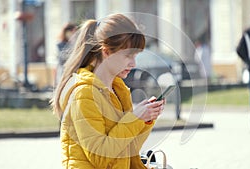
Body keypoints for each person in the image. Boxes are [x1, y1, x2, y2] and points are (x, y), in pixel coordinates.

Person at [50, 13, 165, 168]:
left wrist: (145, 119)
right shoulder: (84, 93)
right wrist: (134, 118)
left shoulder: (118, 90)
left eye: (135, 56)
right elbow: (101, 158)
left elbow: (126, 150)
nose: (133, 63)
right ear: (106, 51)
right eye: (128, 56)